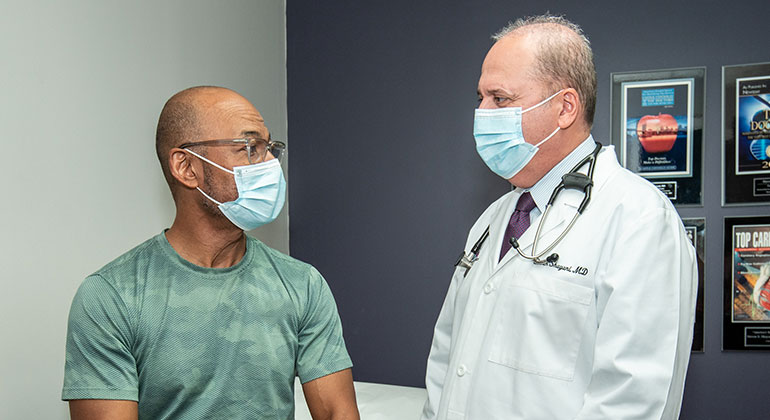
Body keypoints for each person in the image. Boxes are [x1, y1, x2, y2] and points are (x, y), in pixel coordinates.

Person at [421, 15, 697, 420]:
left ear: (564, 107)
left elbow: (632, 400)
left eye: (499, 98)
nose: (481, 113)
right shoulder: (492, 221)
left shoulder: (637, 219)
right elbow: (448, 361)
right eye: (480, 97)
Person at [62, 86, 359, 420]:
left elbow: (338, 412)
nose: (270, 164)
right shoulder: (111, 297)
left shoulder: (302, 285)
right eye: (249, 147)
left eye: (270, 148)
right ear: (187, 167)